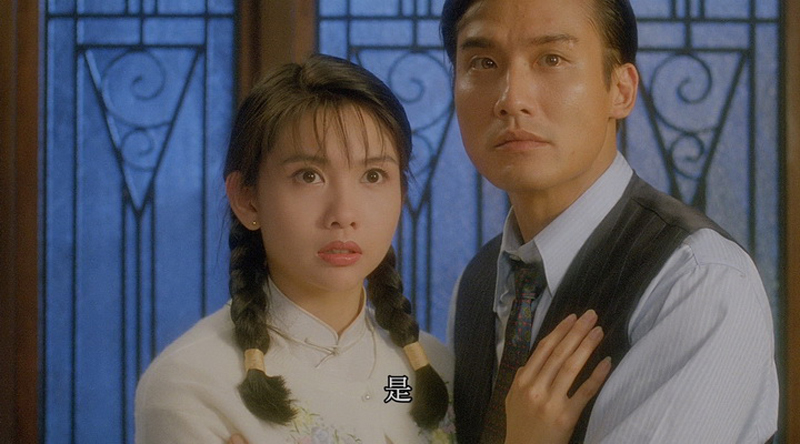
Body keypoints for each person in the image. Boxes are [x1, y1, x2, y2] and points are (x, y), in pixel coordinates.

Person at [135, 54, 609, 444]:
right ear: (247, 199)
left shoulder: (425, 375)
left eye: (373, 175)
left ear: (401, 194)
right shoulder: (193, 385)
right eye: (308, 176)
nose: (344, 213)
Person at [441, 0, 780, 443]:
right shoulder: (479, 280)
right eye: (483, 63)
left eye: (552, 59)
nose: (512, 100)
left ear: (621, 90)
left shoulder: (698, 281)